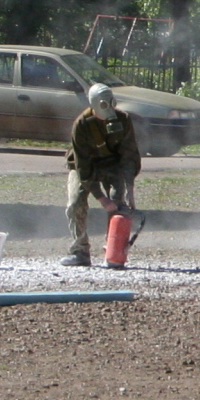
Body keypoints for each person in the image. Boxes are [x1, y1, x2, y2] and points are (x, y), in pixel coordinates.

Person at [64, 83, 141, 266]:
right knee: (75, 204)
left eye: (110, 102)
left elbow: (129, 155)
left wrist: (129, 187)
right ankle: (80, 252)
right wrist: (100, 198)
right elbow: (83, 166)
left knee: (118, 204)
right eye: (103, 104)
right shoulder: (82, 125)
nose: (108, 107)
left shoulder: (123, 120)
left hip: (112, 164)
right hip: (85, 165)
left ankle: (114, 251)